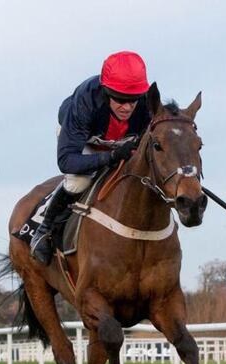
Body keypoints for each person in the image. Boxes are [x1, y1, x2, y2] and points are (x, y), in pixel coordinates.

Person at [30, 51, 152, 265]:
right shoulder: (85, 101)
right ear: (106, 91)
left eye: (133, 100)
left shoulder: (147, 104)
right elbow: (66, 161)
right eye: (120, 100)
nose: (127, 107)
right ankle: (44, 229)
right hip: (84, 139)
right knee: (79, 181)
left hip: (121, 141)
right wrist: (111, 156)